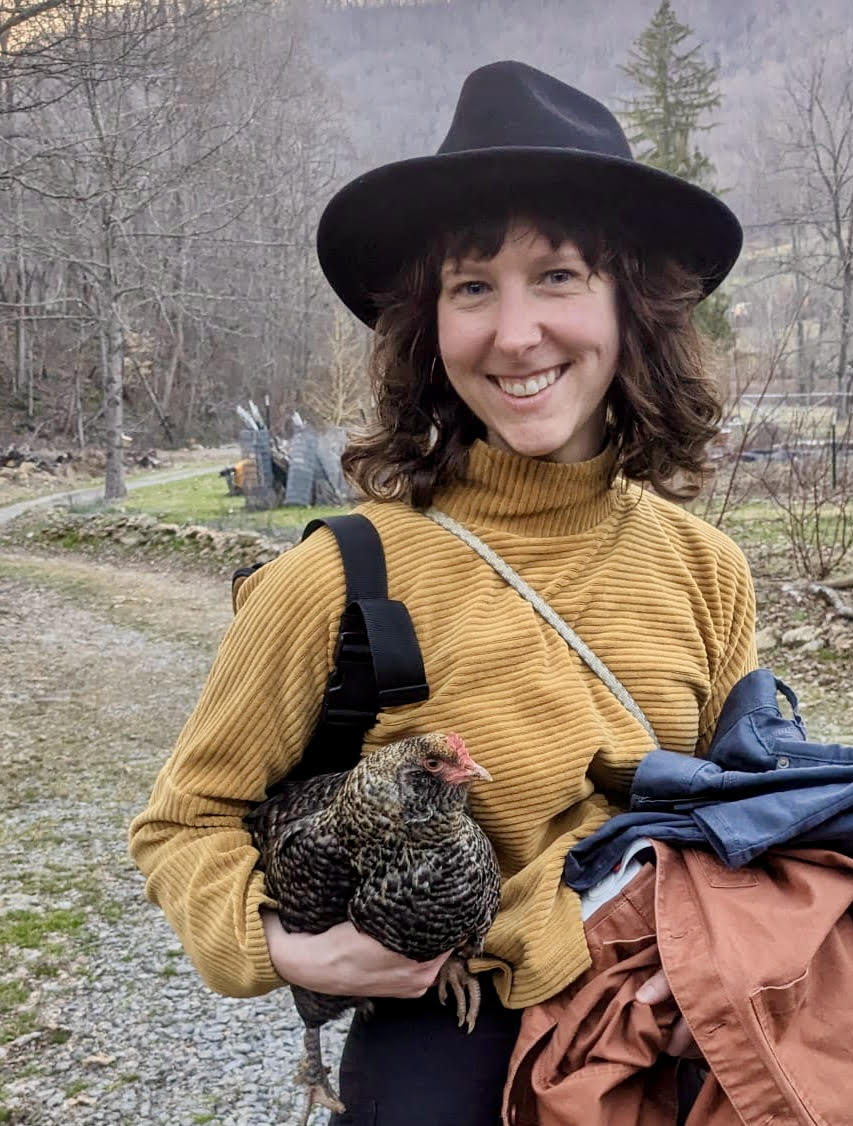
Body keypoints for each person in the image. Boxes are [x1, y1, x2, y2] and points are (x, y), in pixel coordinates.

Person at [129, 60, 756, 1124]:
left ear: (632, 305)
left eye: (558, 276)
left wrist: (717, 955)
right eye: (472, 287)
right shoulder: (337, 576)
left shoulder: (704, 567)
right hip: (452, 1059)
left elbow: (749, 813)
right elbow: (182, 822)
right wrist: (280, 942)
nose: (514, 334)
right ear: (430, 328)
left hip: (668, 1044)